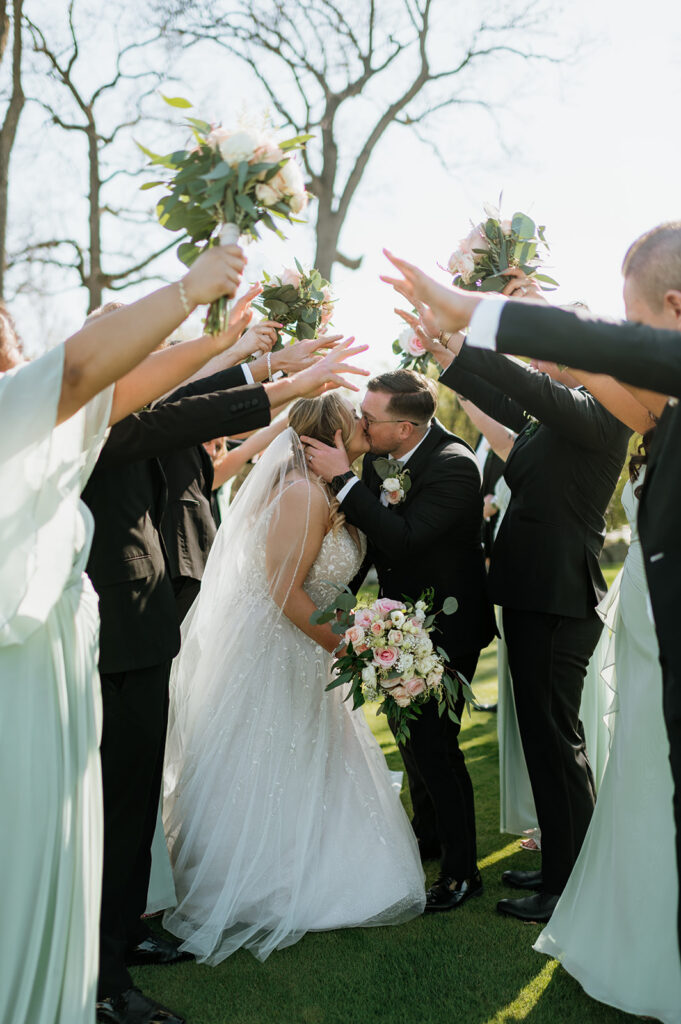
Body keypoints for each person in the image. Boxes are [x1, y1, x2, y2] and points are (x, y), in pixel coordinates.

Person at [380, 226, 681, 952]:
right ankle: (556, 866)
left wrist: (484, 316)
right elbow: (505, 397)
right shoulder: (554, 425)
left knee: (557, 743)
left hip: (559, 598)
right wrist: (450, 357)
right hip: (529, 595)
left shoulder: (597, 420)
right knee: (543, 743)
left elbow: (531, 387)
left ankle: (563, 879)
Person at [84, 333, 367, 1024]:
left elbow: (179, 402)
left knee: (133, 799)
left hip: (143, 633)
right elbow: (182, 411)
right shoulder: (87, 418)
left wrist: (263, 362)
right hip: (117, 635)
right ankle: (101, 977)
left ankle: (122, 935)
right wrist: (271, 376)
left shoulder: (118, 412)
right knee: (113, 808)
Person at [0, 247, 242, 1024]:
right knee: (34, 848)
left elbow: (119, 387)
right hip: (22, 676)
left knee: (66, 846)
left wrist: (222, 338)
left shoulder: (46, 428)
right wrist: (185, 289)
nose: (13, 335)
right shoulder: (18, 414)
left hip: (59, 667)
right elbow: (82, 376)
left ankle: (75, 987)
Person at [162, 392, 425, 963]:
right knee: (269, 757)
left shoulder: (331, 492)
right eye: (353, 417)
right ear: (326, 433)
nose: (363, 421)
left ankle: (327, 867)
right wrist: (352, 650)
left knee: (316, 759)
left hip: (311, 650)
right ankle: (260, 881)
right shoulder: (303, 495)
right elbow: (284, 593)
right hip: (280, 650)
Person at [304, 370, 496, 912]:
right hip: (396, 623)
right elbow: (370, 540)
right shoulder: (378, 460)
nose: (360, 423)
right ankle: (427, 835)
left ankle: (462, 872)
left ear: (406, 428)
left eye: (369, 418)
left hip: (447, 627)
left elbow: (405, 538)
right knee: (409, 738)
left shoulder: (455, 467)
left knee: (437, 745)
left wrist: (342, 481)